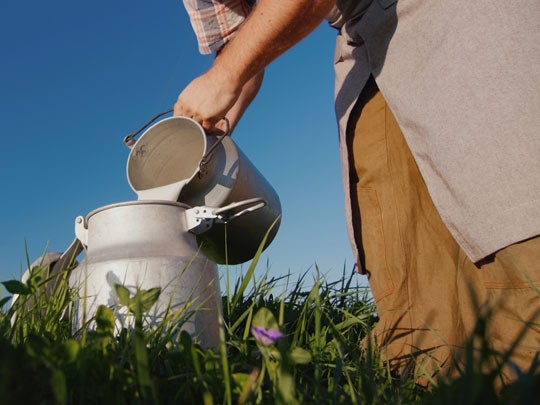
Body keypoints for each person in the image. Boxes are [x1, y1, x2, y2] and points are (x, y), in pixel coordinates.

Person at [176, 0, 540, 384]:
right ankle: (436, 375)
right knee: (402, 243)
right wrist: (218, 113)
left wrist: (225, 76)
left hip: (455, 13)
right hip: (361, 38)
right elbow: (236, 49)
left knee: (502, 184)